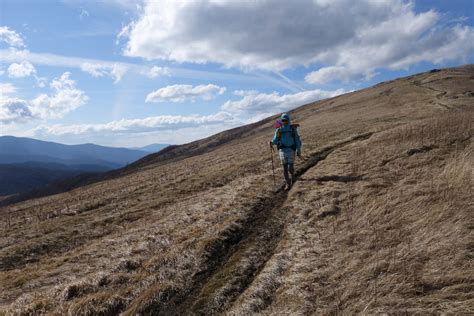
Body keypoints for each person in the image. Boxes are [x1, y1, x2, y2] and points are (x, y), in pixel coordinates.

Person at [270, 113, 302, 190]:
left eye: (286, 120)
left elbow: (297, 140)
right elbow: (275, 139)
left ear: (288, 120)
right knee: (284, 168)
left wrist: (299, 150)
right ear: (281, 121)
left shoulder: (292, 129)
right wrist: (271, 142)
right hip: (282, 151)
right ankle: (288, 184)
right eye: (283, 120)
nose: (285, 121)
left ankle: (293, 176)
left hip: (291, 150)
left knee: (290, 167)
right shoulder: (279, 130)